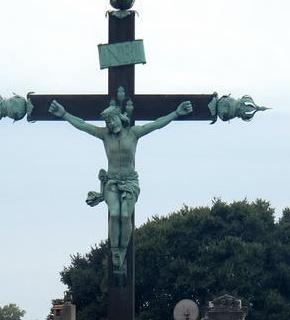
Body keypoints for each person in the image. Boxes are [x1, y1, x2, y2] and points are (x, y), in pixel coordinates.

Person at [48, 98, 192, 274]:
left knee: (125, 215)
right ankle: (115, 250)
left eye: (113, 120)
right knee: (114, 213)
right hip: (112, 181)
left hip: (130, 182)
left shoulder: (133, 133)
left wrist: (176, 113)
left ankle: (123, 248)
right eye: (108, 122)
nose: (111, 124)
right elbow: (83, 125)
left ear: (120, 118)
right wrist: (63, 114)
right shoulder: (104, 136)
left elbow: (156, 125)